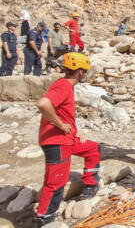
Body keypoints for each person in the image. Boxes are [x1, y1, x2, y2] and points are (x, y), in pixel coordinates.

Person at [34, 53, 101, 227]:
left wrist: (74, 131)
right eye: (84, 71)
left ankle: (90, 185)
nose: (86, 73)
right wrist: (61, 125)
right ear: (79, 72)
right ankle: (44, 218)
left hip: (67, 139)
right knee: (55, 183)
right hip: (58, 142)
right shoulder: (64, 86)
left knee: (93, 149)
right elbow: (43, 104)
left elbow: (62, 112)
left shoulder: (65, 85)